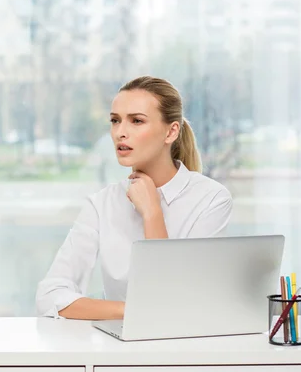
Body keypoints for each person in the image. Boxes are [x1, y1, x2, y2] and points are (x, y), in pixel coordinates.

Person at [35, 76, 233, 320]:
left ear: (171, 131)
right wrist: (133, 311)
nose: (120, 132)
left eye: (137, 121)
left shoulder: (211, 199)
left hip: (185, 350)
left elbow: (178, 303)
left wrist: (152, 213)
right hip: (119, 349)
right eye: (115, 121)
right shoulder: (101, 204)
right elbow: (50, 296)